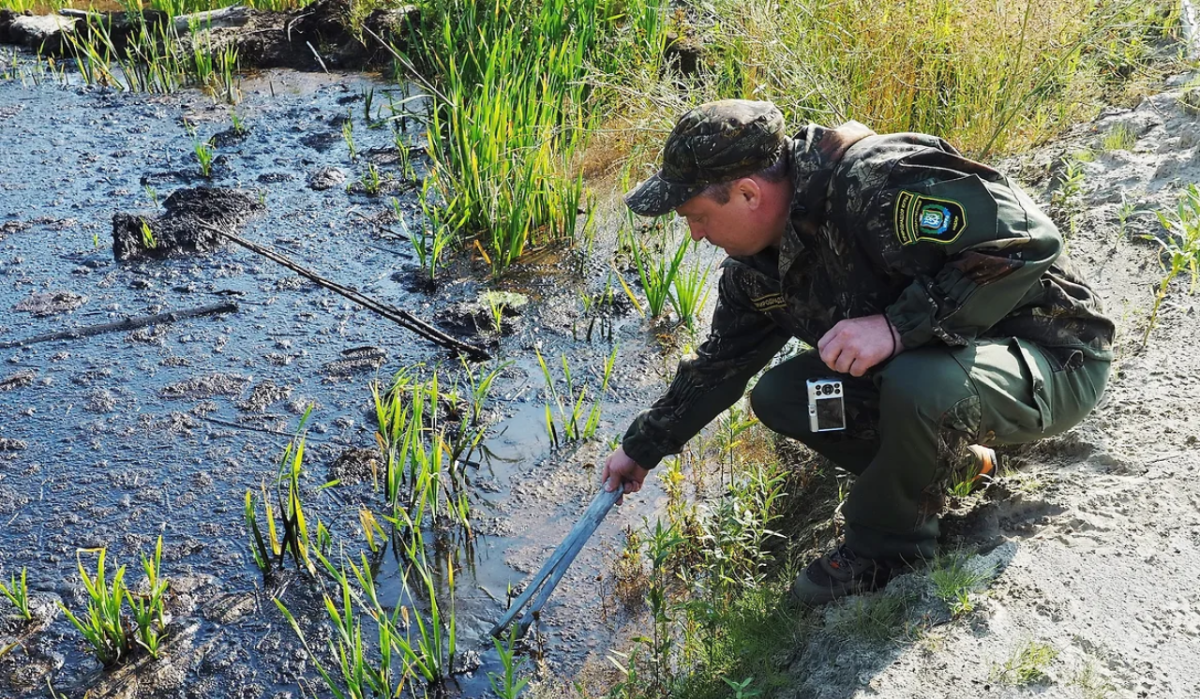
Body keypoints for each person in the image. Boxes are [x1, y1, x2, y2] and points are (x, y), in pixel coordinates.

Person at [600, 99, 1114, 605]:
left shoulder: (879, 181)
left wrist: (896, 326)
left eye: (696, 216)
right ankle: (949, 468)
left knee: (919, 381)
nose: (695, 235)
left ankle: (889, 550)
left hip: (1051, 357)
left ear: (747, 193)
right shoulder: (754, 269)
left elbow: (1029, 238)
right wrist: (641, 449)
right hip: (945, 364)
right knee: (784, 395)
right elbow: (718, 367)